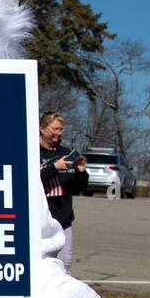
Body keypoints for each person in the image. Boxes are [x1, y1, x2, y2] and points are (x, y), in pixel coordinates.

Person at [39, 111, 88, 276]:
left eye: (61, 129)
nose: (59, 133)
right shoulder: (31, 151)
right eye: (55, 129)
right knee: (39, 266)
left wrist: (81, 172)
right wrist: (54, 168)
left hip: (64, 218)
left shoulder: (65, 153)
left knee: (65, 266)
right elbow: (30, 181)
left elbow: (78, 187)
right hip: (40, 221)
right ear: (42, 128)